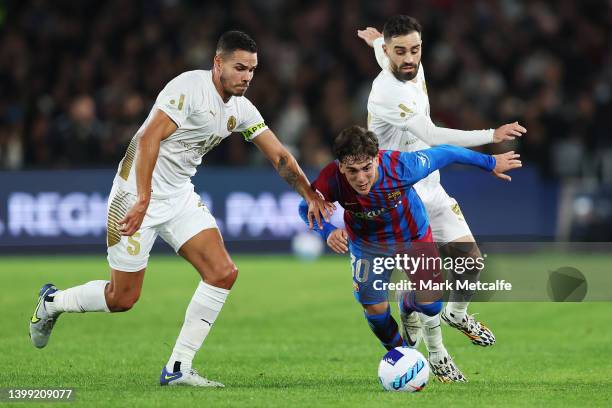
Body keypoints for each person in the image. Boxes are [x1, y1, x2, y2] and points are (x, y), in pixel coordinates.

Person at [29, 30, 333, 388]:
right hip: (133, 194)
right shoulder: (189, 88)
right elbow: (148, 138)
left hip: (178, 196)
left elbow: (280, 156)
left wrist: (309, 193)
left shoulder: (241, 109)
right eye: (239, 68)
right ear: (217, 63)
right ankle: (52, 302)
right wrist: (142, 198)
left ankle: (178, 367)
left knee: (222, 272)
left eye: (252, 70)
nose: (247, 77)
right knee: (122, 298)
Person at [298, 125, 521, 382]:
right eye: (352, 171)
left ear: (376, 159)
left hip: (412, 236)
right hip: (368, 244)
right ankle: (404, 357)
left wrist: (490, 162)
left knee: (432, 303)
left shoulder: (402, 167)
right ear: (340, 167)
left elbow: (447, 153)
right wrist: (327, 230)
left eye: (366, 168)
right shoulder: (330, 180)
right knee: (376, 310)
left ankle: (409, 303)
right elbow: (306, 207)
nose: (361, 178)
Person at [357, 15, 527, 352]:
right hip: (398, 192)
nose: (409, 58)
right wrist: (490, 136)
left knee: (472, 261)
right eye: (400, 52)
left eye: (415, 50)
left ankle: (456, 313)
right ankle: (427, 341)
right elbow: (432, 135)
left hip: (429, 182)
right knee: (427, 280)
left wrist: (376, 41)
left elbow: (383, 49)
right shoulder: (386, 92)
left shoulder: (405, 63)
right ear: (391, 52)